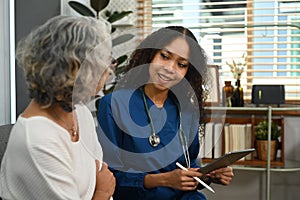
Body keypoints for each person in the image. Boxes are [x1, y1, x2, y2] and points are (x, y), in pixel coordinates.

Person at [97, 26, 234, 200]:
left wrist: (208, 175)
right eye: (164, 56)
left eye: (181, 64)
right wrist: (163, 180)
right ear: (150, 55)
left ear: (187, 72)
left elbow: (188, 168)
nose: (170, 68)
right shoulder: (114, 104)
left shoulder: (187, 112)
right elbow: (108, 177)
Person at [0, 15, 116, 200]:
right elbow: (104, 184)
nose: (109, 70)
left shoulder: (80, 113)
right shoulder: (37, 140)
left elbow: (100, 173)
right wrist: (102, 192)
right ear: (75, 70)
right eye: (103, 63)